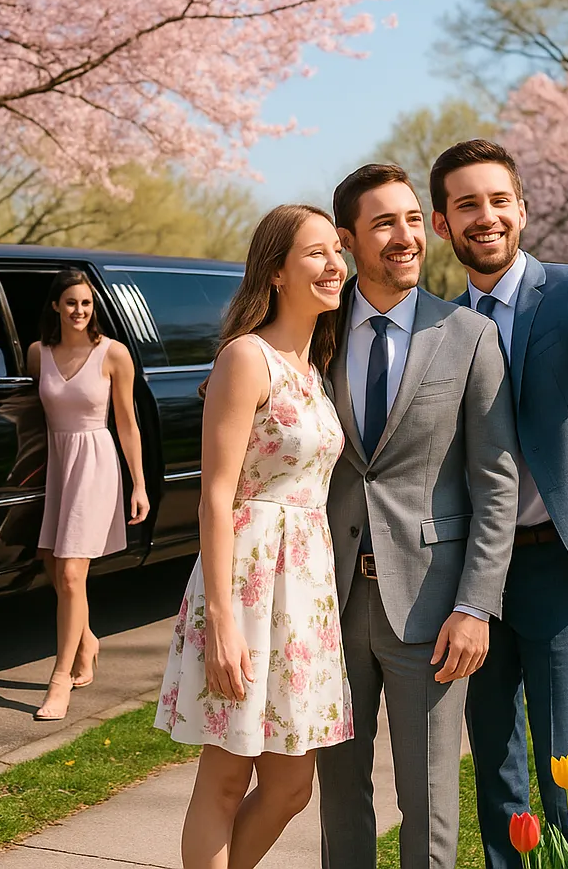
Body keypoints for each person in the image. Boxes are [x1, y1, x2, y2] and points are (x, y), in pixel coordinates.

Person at [429, 138, 568, 869]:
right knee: (494, 762)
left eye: (498, 200)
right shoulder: (436, 326)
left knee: (565, 764)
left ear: (522, 209)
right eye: (467, 205)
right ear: (443, 224)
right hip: (475, 576)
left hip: (562, 560)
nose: (485, 216)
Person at [317, 164, 519, 869]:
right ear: (346, 240)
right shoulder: (313, 335)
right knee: (339, 798)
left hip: (432, 608)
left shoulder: (467, 335)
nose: (406, 236)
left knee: (429, 803)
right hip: (329, 604)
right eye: (384, 223)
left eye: (411, 219)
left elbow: (496, 483)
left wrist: (475, 605)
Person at [156, 204, 354, 869]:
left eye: (337, 252)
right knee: (225, 775)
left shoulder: (313, 368)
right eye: (316, 253)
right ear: (275, 272)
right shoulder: (247, 357)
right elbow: (214, 493)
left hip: (303, 595)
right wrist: (221, 622)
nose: (335, 265)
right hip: (247, 582)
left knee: (292, 784)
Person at [27, 268, 149, 722]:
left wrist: (138, 484)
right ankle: (87, 640)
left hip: (96, 464)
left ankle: (59, 681)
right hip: (57, 467)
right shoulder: (38, 354)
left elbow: (127, 424)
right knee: (54, 568)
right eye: (72, 302)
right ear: (56, 305)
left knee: (74, 575)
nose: (79, 311)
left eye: (87, 304)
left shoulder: (112, 354)